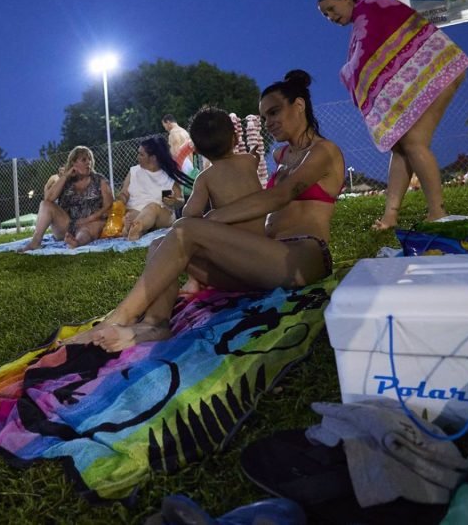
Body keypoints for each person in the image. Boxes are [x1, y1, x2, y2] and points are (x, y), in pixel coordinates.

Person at [69, 70, 345, 351]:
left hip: (301, 258)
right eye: (264, 117)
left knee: (186, 229)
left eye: (274, 112)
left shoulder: (325, 152)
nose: (269, 122)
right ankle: (155, 324)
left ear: (299, 105)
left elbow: (281, 195)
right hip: (263, 258)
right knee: (159, 246)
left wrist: (213, 219)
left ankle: (119, 318)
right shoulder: (281, 155)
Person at [317, 0, 468, 231]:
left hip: (440, 69)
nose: (330, 17)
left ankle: (438, 213)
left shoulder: (373, 9)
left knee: (413, 143)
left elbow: (364, 57)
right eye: (325, 15)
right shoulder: (365, 15)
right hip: (434, 72)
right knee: (401, 146)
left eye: (331, 9)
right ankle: (390, 217)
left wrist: (346, 73)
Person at [177, 106, 267, 295]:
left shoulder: (205, 177)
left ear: (198, 150)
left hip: (234, 259)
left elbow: (190, 214)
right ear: (235, 138)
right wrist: (254, 156)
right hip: (263, 252)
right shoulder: (249, 161)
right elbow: (252, 162)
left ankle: (193, 280)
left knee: (184, 241)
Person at [19, 146, 113, 251]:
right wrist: (65, 176)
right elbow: (48, 199)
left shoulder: (100, 180)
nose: (88, 163)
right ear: (73, 163)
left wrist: (88, 219)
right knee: (45, 205)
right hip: (67, 224)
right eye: (84, 160)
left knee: (87, 229)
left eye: (90, 159)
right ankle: (35, 242)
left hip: (91, 222)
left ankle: (76, 243)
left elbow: (108, 205)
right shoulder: (66, 180)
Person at [118, 136, 193, 241]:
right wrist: (121, 201)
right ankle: (133, 228)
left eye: (141, 154)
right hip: (137, 213)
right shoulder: (134, 172)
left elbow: (180, 201)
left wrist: (172, 201)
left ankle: (135, 228)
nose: (137, 157)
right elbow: (124, 193)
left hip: (161, 216)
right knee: (132, 215)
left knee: (152, 207)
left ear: (153, 158)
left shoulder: (168, 176)